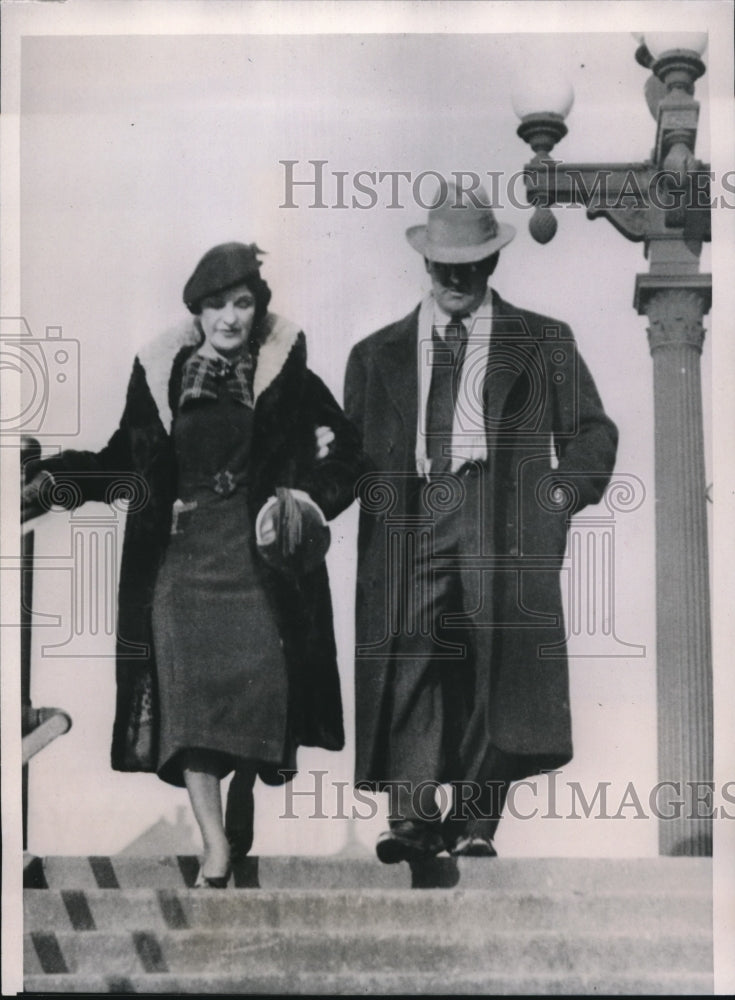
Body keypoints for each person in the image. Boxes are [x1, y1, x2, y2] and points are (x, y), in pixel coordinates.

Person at [23, 241, 364, 885]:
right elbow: (125, 458)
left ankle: (241, 802)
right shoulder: (161, 374)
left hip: (258, 560)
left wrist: (309, 503)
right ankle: (215, 848)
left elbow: (344, 451)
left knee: (262, 685)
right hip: (180, 565)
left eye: (242, 303)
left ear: (259, 309)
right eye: (216, 305)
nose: (230, 318)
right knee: (192, 708)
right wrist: (54, 480)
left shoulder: (289, 372)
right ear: (197, 311)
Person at [344, 185, 618, 863]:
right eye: (444, 265)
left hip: (502, 515)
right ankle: (410, 817)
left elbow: (590, 433)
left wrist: (555, 498)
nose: (456, 278)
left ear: (492, 265)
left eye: (469, 265)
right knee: (408, 645)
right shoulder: (374, 354)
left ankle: (473, 822)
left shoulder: (543, 341)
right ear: (425, 265)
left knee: (498, 661)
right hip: (413, 515)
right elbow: (347, 457)